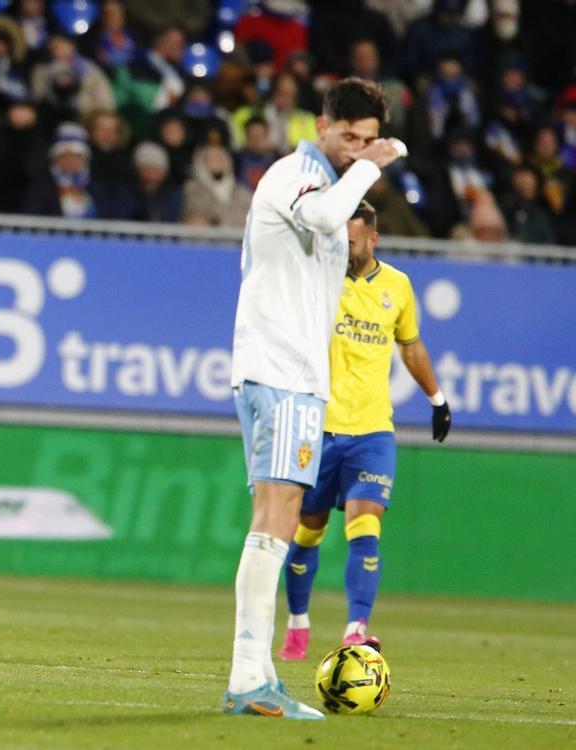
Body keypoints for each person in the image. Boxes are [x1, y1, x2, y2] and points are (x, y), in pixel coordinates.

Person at [225, 77, 402, 719]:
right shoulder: (295, 175)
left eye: (368, 141)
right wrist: (373, 169)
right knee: (275, 523)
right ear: (323, 127)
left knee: (276, 522)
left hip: (294, 376)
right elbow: (330, 215)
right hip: (281, 374)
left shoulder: (326, 180)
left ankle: (256, 674)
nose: (357, 150)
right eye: (349, 138)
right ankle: (249, 680)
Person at [279, 201, 451, 662]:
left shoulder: (397, 285)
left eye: (351, 242)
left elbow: (411, 345)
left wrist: (437, 399)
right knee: (308, 532)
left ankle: (356, 629)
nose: (344, 250)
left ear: (373, 239)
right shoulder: (319, 277)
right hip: (318, 429)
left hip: (372, 431)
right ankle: (297, 622)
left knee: (365, 525)